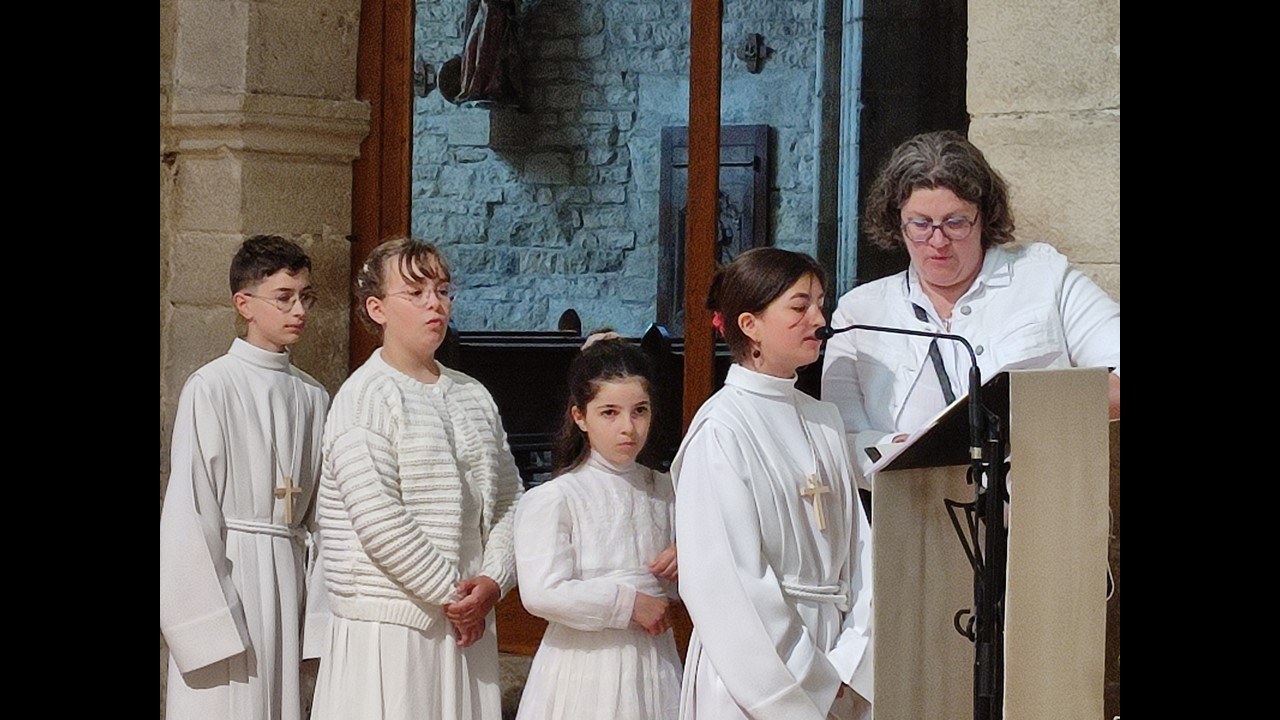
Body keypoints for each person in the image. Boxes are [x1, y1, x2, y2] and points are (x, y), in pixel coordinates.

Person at [821, 130, 1121, 485]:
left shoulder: (1044, 276)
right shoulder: (859, 313)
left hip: (1041, 501)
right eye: (920, 224)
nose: (938, 241)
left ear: (984, 217)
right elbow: (840, 440)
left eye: (955, 223)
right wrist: (911, 450)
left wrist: (1023, 420)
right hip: (917, 505)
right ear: (897, 222)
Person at [310, 237, 523, 720]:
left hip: (466, 621)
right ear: (377, 308)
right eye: (417, 292)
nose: (436, 304)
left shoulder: (472, 395)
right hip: (393, 628)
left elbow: (510, 500)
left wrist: (493, 580)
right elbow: (379, 520)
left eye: (443, 291)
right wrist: (455, 598)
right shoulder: (365, 397)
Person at [672, 247, 874, 720]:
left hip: (837, 658)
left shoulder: (823, 419)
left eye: (821, 304)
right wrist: (809, 680)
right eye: (800, 306)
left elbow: (862, 554)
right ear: (750, 325)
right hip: (754, 673)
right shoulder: (721, 428)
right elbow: (725, 579)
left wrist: (849, 662)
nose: (819, 319)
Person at [160, 234, 331, 720]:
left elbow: (325, 517)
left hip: (288, 575)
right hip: (231, 575)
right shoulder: (211, 387)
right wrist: (205, 625)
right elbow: (189, 510)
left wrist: (319, 619)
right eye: (284, 297)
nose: (298, 310)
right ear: (244, 304)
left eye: (305, 297)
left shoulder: (313, 397)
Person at [513, 331, 682, 720]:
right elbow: (542, 591)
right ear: (580, 416)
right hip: (586, 668)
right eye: (610, 412)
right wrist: (627, 603)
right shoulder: (557, 498)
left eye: (639, 411)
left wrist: (685, 555)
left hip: (653, 665)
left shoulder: (665, 490)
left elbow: (692, 572)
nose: (628, 427)